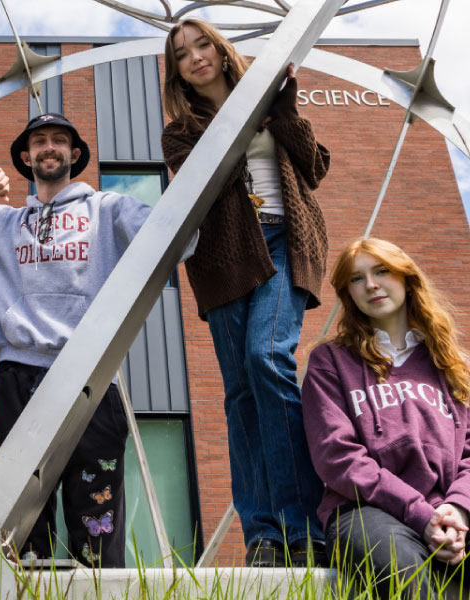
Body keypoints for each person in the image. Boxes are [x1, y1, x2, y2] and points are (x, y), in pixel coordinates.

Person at [0, 113, 196, 567]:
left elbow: (182, 237)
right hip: (19, 376)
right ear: (25, 156)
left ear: (75, 155)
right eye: (39, 142)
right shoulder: (1, 223)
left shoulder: (109, 210)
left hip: (90, 378)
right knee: (19, 527)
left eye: (60, 140)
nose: (50, 148)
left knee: (96, 520)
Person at [160, 19, 331, 567]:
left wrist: (284, 105)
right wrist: (243, 116)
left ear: (221, 48)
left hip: (286, 240)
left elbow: (315, 166)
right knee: (239, 393)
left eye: (202, 44)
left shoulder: (270, 97)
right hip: (225, 256)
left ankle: (302, 526)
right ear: (177, 72)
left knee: (268, 358)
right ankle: (262, 535)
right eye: (182, 54)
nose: (195, 57)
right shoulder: (180, 131)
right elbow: (204, 185)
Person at [302, 238, 470, 598]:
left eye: (382, 272)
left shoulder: (452, 365)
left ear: (407, 279)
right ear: (349, 293)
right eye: (357, 279)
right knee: (403, 570)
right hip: (366, 510)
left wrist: (457, 509)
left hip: (450, 508)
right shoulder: (330, 362)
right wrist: (421, 515)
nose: (371, 285)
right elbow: (337, 457)